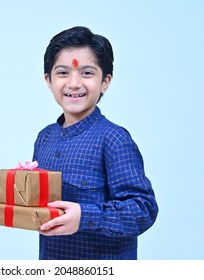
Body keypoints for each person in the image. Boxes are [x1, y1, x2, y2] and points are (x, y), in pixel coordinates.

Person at [32, 26, 158, 260]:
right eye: (63, 73)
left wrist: (84, 217)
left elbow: (144, 209)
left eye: (87, 73)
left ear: (105, 82)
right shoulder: (44, 138)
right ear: (48, 80)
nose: (74, 83)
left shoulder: (114, 139)